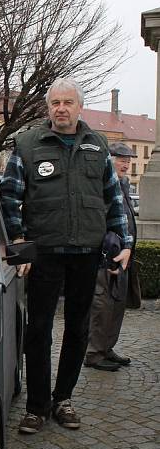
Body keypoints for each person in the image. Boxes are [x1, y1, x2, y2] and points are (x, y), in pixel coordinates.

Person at [0, 77, 131, 434]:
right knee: (39, 329)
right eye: (55, 102)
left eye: (67, 102)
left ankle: (63, 399)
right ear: (48, 108)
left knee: (78, 329)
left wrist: (126, 241)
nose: (61, 108)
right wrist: (20, 242)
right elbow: (9, 196)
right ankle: (36, 406)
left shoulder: (98, 145)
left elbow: (113, 199)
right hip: (44, 252)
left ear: (78, 107)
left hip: (86, 253)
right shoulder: (27, 145)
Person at [84, 142, 140, 371]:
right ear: (109, 160)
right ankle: (94, 353)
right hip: (107, 257)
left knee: (116, 307)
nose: (126, 164)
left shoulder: (123, 185)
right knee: (102, 306)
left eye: (128, 160)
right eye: (121, 159)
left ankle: (107, 348)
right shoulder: (104, 186)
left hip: (123, 256)